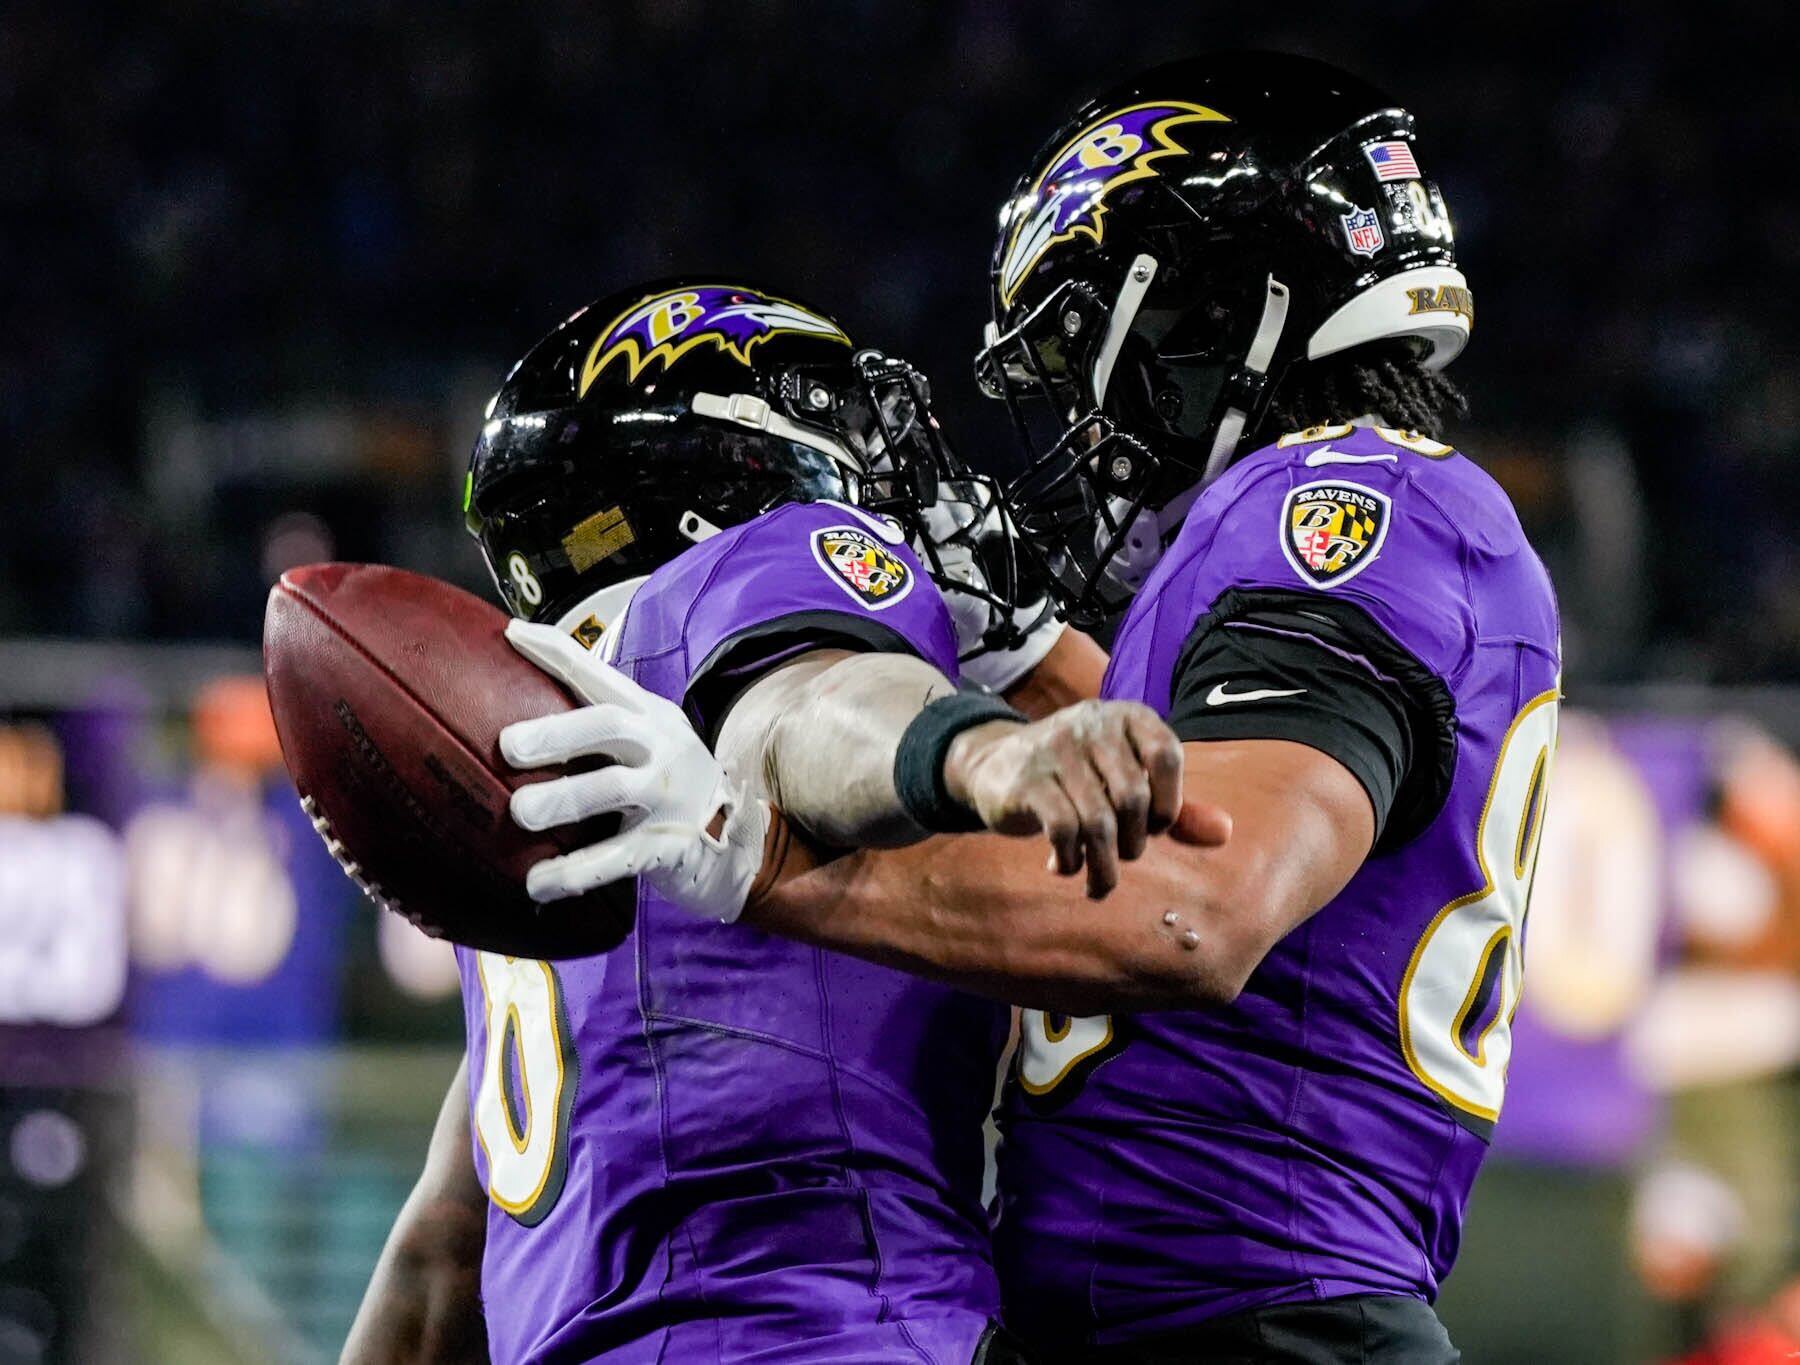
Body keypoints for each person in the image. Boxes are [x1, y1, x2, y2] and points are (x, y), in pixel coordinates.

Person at [509, 52, 1559, 1362]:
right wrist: (1025, 646)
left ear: (1212, 306)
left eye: (1082, 351)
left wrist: (760, 860)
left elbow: (1191, 907)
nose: (1082, 417)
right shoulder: (1299, 528)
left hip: (1254, 1317)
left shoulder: (1340, 497)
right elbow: (1179, 782)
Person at [340, 276, 1214, 1364]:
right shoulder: (744, 577)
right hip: (825, 1330)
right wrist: (974, 751)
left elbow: (440, 1251)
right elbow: (804, 707)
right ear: (734, 455)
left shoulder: (535, 766)